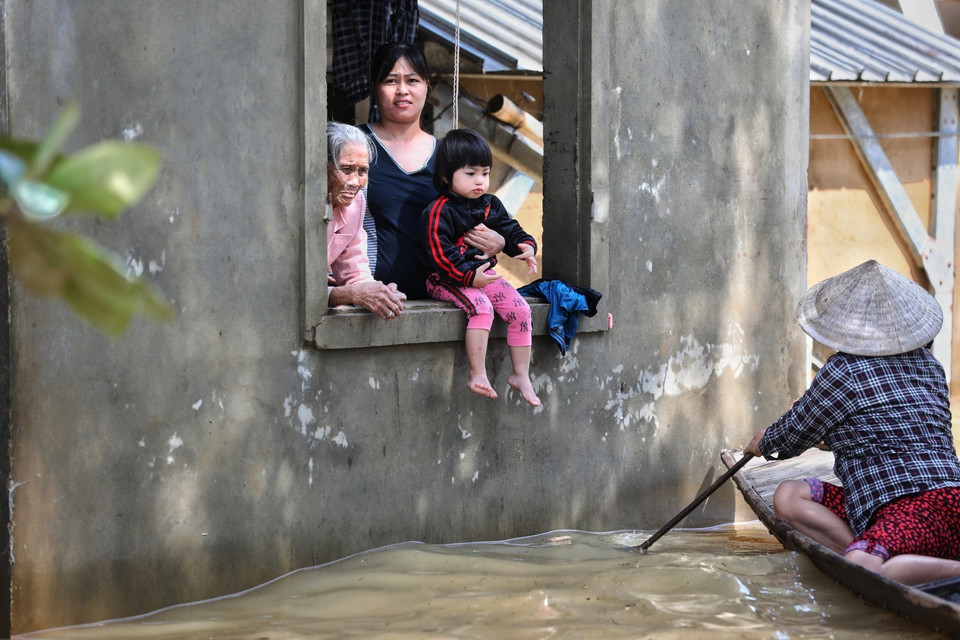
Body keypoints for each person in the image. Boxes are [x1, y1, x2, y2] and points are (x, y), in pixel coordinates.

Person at [745, 260, 960, 585]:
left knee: (864, 567)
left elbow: (790, 437)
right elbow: (880, 435)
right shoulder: (930, 366)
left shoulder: (842, 371)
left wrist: (762, 442)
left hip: (911, 508)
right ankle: (878, 551)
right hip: (936, 498)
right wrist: (823, 437)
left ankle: (877, 558)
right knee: (789, 495)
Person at [361, 42, 504, 300]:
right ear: (375, 87)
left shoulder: (448, 155)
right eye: (391, 81)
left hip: (446, 297)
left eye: (412, 80)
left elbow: (480, 215)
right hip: (374, 297)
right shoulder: (355, 145)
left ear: (427, 86)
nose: (402, 90)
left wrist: (499, 240)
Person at [420, 128, 540, 407]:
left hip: (482, 275)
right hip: (447, 278)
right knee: (482, 308)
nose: (480, 181)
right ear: (447, 176)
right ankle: (478, 374)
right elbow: (439, 252)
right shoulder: (440, 209)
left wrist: (525, 245)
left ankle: (521, 375)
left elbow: (509, 229)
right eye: (470, 173)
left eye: (485, 173)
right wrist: (469, 275)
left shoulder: (490, 204)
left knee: (521, 309)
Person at [326, 121, 406, 320]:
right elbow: (288, 286)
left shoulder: (356, 202)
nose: (355, 182)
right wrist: (349, 294)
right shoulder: (296, 203)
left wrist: (376, 291)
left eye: (362, 171)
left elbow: (353, 265)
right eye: (345, 169)